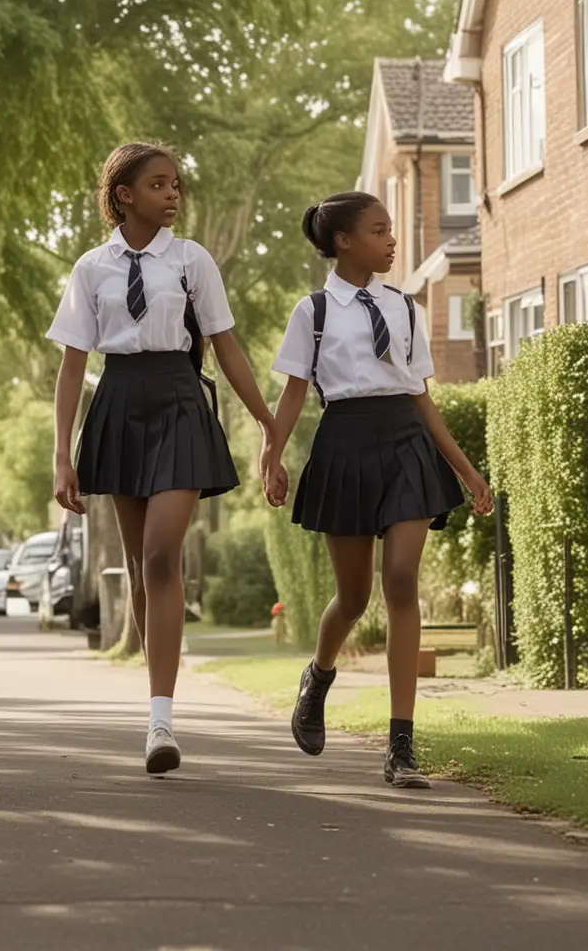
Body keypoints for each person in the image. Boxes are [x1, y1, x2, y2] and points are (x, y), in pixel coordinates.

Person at [49, 142, 275, 775]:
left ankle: (161, 720)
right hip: (118, 402)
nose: (173, 193)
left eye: (176, 184)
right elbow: (71, 368)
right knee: (138, 565)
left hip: (178, 399)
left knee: (158, 554)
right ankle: (156, 712)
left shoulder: (191, 260)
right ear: (124, 196)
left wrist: (266, 423)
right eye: (158, 184)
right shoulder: (92, 268)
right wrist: (62, 457)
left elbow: (226, 346)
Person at [260, 191, 493, 788]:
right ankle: (318, 676)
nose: (392, 240)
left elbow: (421, 394)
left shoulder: (405, 306)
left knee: (402, 582)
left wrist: (466, 470)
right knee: (355, 598)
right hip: (345, 445)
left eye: (391, 229)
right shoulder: (312, 311)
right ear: (343, 241)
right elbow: (292, 393)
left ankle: (402, 746)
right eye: (379, 230)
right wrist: (271, 453)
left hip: (406, 444)